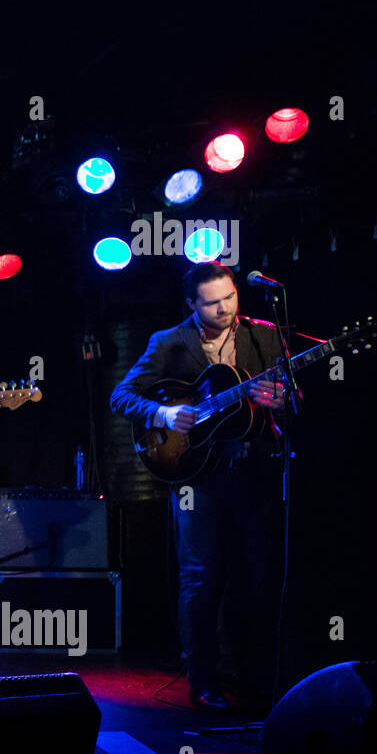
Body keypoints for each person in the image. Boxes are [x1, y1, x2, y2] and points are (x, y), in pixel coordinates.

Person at [110, 262, 287, 711]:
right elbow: (122, 396)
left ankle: (251, 675)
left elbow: (294, 399)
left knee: (256, 576)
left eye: (229, 297)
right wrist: (165, 415)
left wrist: (282, 399)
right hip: (196, 476)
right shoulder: (169, 342)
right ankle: (204, 681)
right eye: (211, 302)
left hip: (253, 471)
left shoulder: (264, 335)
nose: (224, 308)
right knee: (201, 578)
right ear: (191, 304)